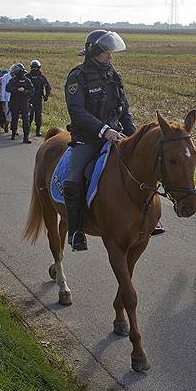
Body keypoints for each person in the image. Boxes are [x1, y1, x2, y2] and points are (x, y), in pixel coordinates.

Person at [63, 30, 135, 251]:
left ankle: (147, 220)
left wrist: (133, 135)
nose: (110, 57)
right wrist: (104, 130)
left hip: (115, 136)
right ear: (94, 52)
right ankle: (75, 231)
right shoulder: (77, 76)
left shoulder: (113, 75)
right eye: (106, 53)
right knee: (74, 178)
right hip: (88, 140)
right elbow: (77, 112)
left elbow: (124, 109)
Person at [6, 63, 35, 143]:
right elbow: (8, 88)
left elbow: (32, 90)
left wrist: (25, 91)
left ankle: (26, 137)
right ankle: (13, 133)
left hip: (24, 102)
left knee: (26, 120)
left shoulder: (27, 80)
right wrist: (17, 89)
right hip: (15, 102)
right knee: (14, 118)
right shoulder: (13, 80)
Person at [27, 59, 52, 136]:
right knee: (37, 114)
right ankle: (37, 130)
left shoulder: (27, 76)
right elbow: (48, 87)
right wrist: (46, 96)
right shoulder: (41, 77)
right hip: (37, 98)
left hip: (29, 98)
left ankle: (28, 129)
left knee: (29, 114)